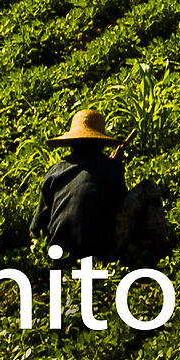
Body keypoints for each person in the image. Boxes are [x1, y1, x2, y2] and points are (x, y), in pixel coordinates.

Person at [32, 108, 129, 262]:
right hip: (100, 257)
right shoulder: (113, 169)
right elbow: (122, 207)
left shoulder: (55, 171)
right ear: (102, 143)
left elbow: (37, 227)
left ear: (71, 143)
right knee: (148, 189)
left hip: (59, 257)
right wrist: (113, 167)